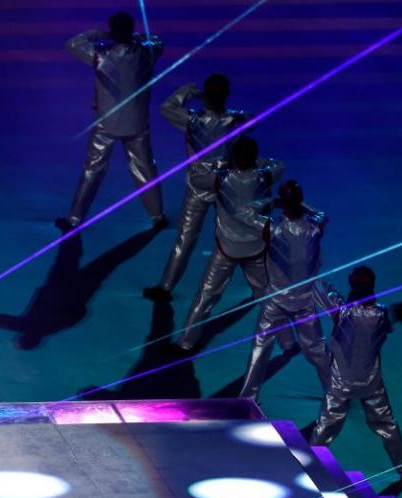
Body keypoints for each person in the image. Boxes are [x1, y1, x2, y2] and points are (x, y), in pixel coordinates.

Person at [56, 11, 167, 232]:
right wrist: (133, 36)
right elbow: (158, 41)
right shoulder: (146, 54)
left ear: (112, 30)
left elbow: (72, 43)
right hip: (137, 122)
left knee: (93, 170)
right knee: (145, 168)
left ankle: (75, 218)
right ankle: (157, 215)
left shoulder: (100, 55)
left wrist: (99, 33)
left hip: (106, 124)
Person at [144, 74, 251, 302]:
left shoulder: (193, 120)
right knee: (237, 235)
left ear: (205, 96)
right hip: (226, 185)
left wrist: (186, 91)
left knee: (186, 238)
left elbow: (166, 108)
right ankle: (261, 284)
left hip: (199, 185)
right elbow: (254, 120)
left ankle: (166, 287)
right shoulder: (236, 120)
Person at [176, 137, 283, 351]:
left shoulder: (220, 179)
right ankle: (286, 338)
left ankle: (186, 343)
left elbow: (195, 178)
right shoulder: (265, 177)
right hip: (256, 246)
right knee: (266, 293)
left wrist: (220, 163)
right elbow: (278, 164)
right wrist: (255, 162)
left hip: (228, 248)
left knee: (206, 295)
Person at [310, 267, 402, 483]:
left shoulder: (342, 311)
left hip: (341, 382)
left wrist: (312, 270)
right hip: (371, 383)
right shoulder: (382, 314)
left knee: (326, 425)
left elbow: (320, 290)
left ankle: (309, 466)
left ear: (352, 283)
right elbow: (394, 319)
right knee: (387, 425)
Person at [238, 181, 331, 401]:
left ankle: (247, 398)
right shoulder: (315, 228)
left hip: (276, 302)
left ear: (283, 203)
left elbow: (245, 212)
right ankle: (336, 392)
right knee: (317, 351)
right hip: (305, 302)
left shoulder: (272, 228)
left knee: (260, 350)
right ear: (300, 200)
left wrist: (271, 202)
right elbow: (321, 214)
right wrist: (299, 205)